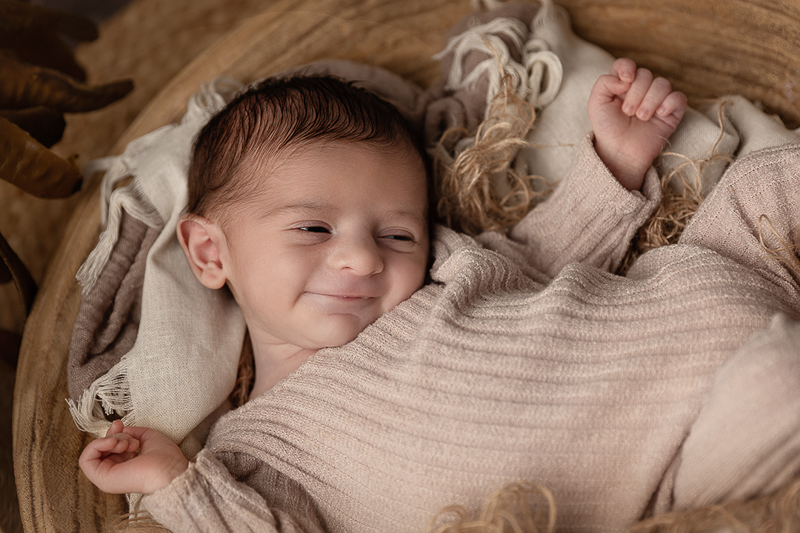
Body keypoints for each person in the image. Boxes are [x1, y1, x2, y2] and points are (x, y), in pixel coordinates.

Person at [78, 57, 800, 532]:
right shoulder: (256, 457)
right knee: (782, 389)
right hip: (692, 445)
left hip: (720, 262)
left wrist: (611, 160)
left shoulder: (448, 274)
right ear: (210, 251)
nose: (361, 255)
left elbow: (542, 254)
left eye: (397, 234)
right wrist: (178, 484)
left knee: (773, 174)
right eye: (313, 226)